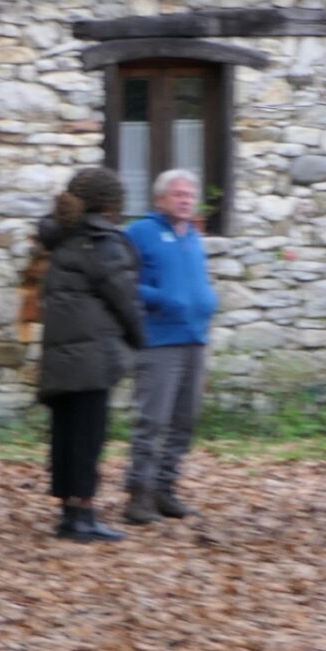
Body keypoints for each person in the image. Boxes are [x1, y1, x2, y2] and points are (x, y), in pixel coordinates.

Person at [35, 166, 147, 542]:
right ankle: (83, 517)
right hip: (92, 354)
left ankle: (69, 512)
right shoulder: (102, 241)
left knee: (66, 434)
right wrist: (141, 337)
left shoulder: (64, 236)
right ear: (111, 204)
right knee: (88, 436)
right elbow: (125, 299)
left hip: (62, 351)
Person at [123, 168, 217, 525]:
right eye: (178, 194)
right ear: (160, 199)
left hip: (194, 339)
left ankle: (165, 489)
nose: (185, 200)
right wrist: (159, 298)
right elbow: (123, 280)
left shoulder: (192, 234)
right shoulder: (140, 233)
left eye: (190, 195)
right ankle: (139, 495)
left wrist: (207, 299)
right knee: (152, 420)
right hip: (159, 342)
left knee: (184, 421)